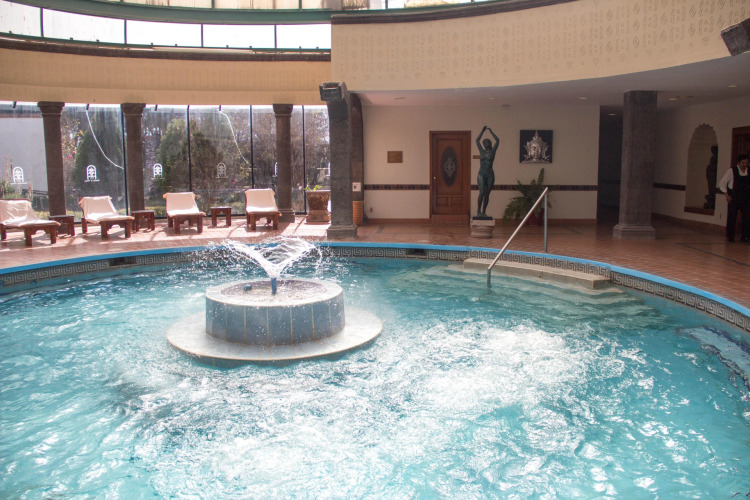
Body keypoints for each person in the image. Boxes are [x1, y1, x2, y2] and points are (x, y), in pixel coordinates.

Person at [717, 153, 750, 242]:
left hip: (746, 198)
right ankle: (730, 236)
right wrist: (727, 195)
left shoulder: (749, 171)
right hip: (734, 197)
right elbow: (722, 183)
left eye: (746, 163)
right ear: (738, 163)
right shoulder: (731, 171)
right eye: (743, 163)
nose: (745, 165)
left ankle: (745, 236)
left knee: (747, 217)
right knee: (732, 217)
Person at [476, 125, 499, 217]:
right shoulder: (481, 151)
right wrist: (482, 131)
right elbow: (477, 140)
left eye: (486, 142)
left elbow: (497, 140)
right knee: (481, 192)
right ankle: (478, 210)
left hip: (490, 174)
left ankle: (484, 212)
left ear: (489, 143)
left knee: (487, 194)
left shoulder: (493, 151)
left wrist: (491, 132)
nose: (485, 143)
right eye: (484, 142)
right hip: (481, 174)